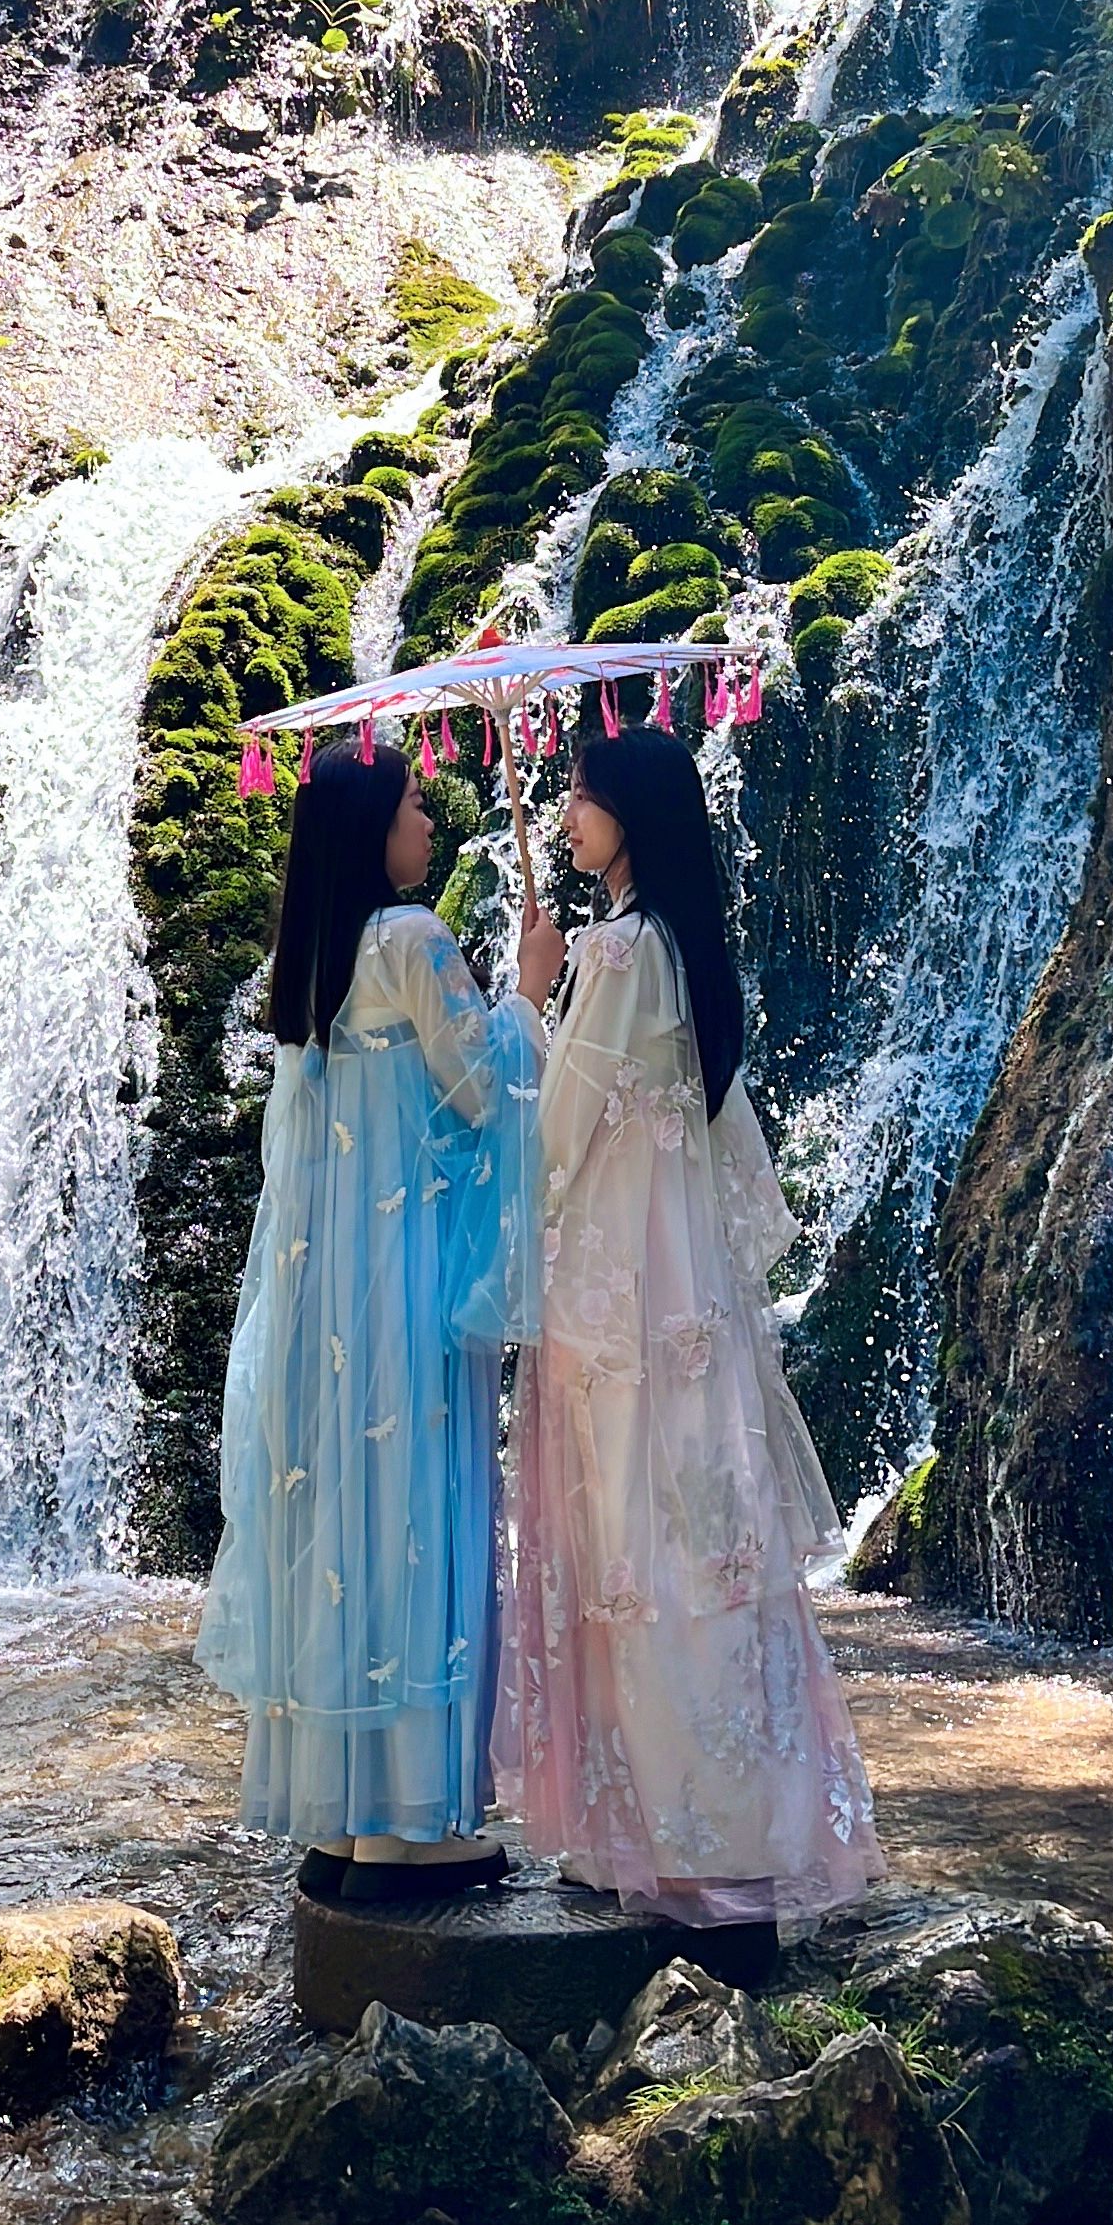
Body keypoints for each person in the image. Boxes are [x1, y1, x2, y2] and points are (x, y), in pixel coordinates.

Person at [493, 726, 883, 1930]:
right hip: (684, 1294)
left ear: (632, 816)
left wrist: (529, 997)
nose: (565, 815)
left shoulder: (617, 952)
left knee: (632, 1552)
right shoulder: (679, 946)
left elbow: (553, 1134)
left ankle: (666, 1837)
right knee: (700, 1545)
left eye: (581, 797)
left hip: (618, 1301)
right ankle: (721, 1822)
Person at [198, 741, 565, 1904]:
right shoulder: (410, 936)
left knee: (346, 1529)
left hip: (327, 1289)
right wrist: (531, 988)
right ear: (373, 825)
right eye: (413, 803)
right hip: (406, 1285)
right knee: (417, 1511)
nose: (429, 819)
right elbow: (484, 1090)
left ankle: (349, 1814)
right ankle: (414, 1826)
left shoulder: (317, 955)